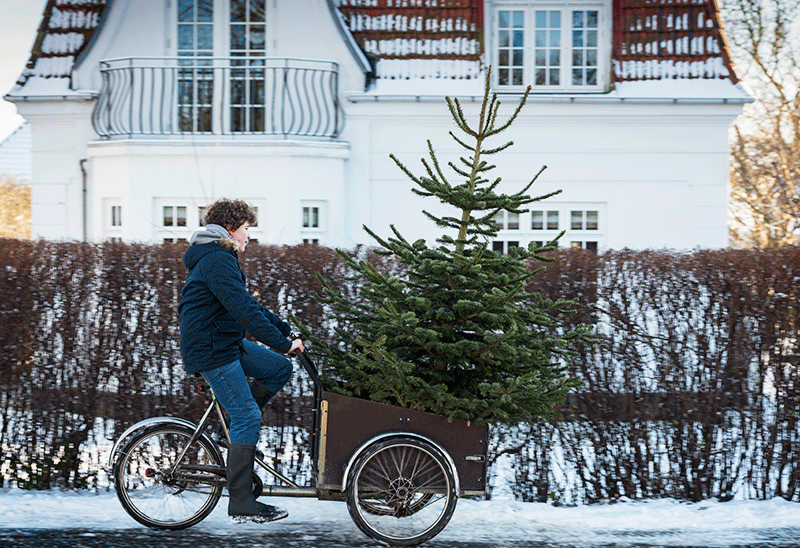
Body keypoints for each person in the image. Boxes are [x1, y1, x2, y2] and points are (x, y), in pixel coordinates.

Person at [178, 198, 304, 524]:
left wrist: (285, 334)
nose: (249, 236)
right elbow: (244, 312)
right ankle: (242, 501)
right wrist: (282, 342)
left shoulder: (219, 257)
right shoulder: (217, 260)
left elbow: (248, 305)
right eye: (247, 229)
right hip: (212, 350)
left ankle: (235, 434)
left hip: (224, 342)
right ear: (231, 229)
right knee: (247, 413)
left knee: (279, 367)